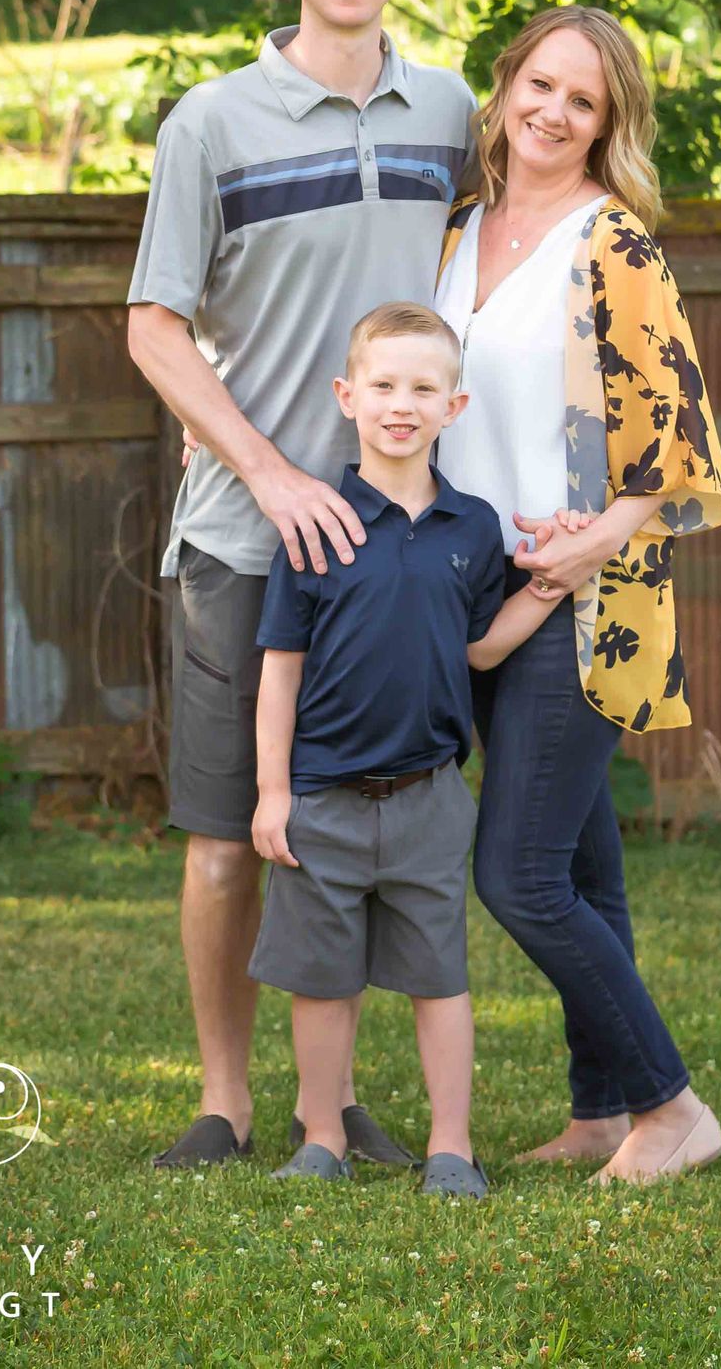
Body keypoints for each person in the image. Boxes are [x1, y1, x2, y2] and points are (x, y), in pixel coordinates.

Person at [126, 0, 478, 1170]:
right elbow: (154, 328)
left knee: (379, 830)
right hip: (244, 536)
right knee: (231, 836)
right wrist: (272, 470)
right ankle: (225, 1100)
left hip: (397, 549)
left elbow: (501, 277)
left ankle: (332, 1105)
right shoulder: (212, 124)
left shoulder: (448, 115)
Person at [430, 4, 721, 1184]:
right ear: (507, 86)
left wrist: (587, 546)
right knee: (584, 873)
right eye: (542, 87)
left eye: (585, 102)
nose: (555, 114)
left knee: (515, 874)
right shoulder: (458, 231)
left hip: (585, 598)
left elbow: (681, 441)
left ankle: (673, 1107)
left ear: (609, 126)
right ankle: (599, 1110)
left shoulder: (615, 245)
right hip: (481, 593)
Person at [250, 303, 566, 1195]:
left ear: (453, 407)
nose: (402, 404)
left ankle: (452, 1148)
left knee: (440, 977)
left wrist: (548, 585)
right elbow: (280, 670)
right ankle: (321, 1137)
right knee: (322, 979)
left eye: (424, 388)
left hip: (430, 793)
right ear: (349, 397)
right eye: (383, 386)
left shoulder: (472, 529)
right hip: (322, 797)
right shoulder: (315, 523)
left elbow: (480, 650)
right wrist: (274, 793)